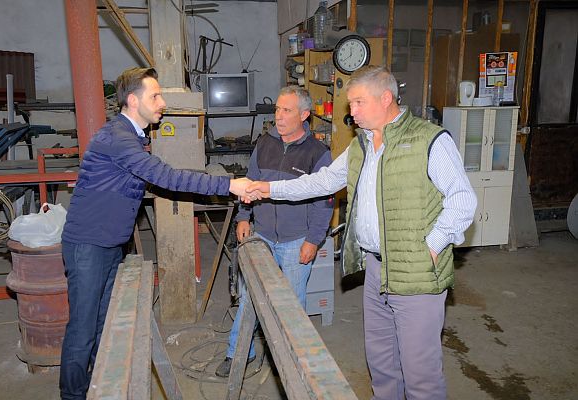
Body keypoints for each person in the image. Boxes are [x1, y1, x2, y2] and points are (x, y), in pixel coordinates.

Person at [244, 66, 477, 400]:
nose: (351, 112)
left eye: (358, 102)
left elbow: (463, 200)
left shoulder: (428, 140)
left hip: (417, 273)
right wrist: (268, 189)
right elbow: (323, 181)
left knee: (420, 375)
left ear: (385, 99)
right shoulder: (362, 146)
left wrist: (433, 245)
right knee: (381, 365)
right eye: (350, 103)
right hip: (376, 270)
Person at [59, 67, 250, 399]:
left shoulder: (132, 136)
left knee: (103, 323)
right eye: (155, 96)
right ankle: (73, 395)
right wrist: (229, 185)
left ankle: (99, 386)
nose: (162, 103)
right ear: (133, 101)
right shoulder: (118, 139)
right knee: (83, 329)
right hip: (88, 246)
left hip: (108, 244)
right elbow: (167, 177)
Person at [215, 86, 333, 378]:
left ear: (304, 115)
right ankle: (239, 353)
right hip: (262, 236)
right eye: (278, 109)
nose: (278, 116)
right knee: (250, 297)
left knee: (291, 305)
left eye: (286, 110)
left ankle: (292, 362)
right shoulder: (265, 143)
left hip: (296, 241)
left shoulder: (318, 153)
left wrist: (313, 240)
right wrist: (244, 217)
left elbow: (324, 202)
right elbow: (249, 183)